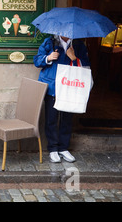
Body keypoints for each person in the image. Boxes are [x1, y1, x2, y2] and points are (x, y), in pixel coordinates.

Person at [34, 35, 90, 163]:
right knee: (51, 119)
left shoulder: (79, 45)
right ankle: (53, 149)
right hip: (52, 86)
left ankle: (64, 148)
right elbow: (37, 61)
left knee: (67, 119)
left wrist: (74, 58)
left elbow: (86, 67)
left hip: (69, 87)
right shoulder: (49, 42)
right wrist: (48, 58)